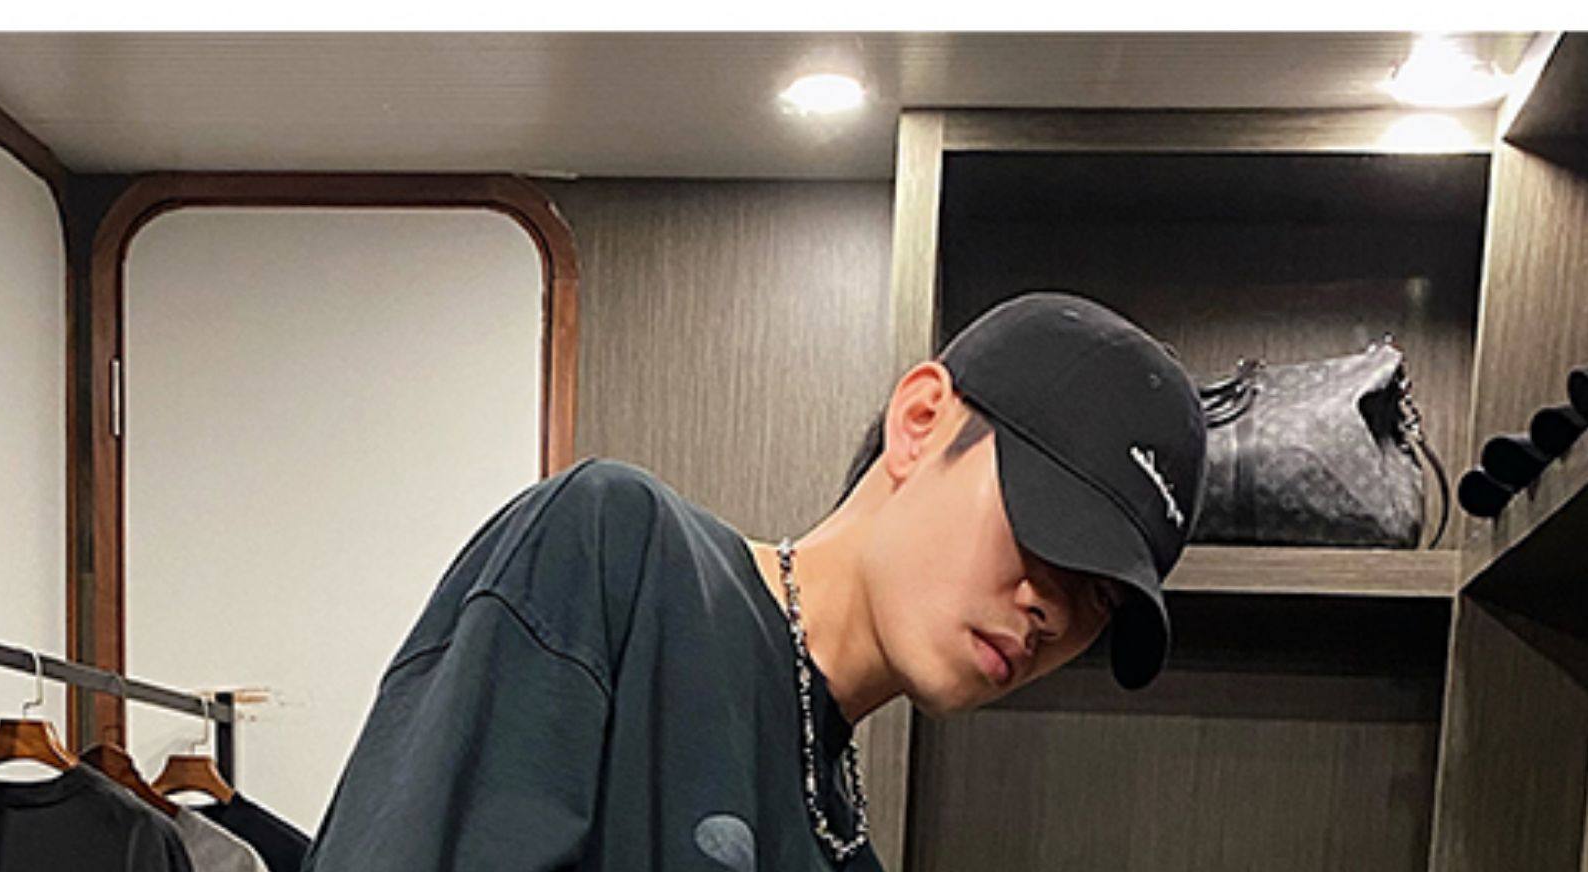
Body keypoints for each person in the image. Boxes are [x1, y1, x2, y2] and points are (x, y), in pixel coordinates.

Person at [305, 294, 1208, 872]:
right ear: (922, 420)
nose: (1053, 607)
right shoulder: (621, 554)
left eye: (1102, 596)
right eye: (1049, 529)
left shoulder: (843, 835)